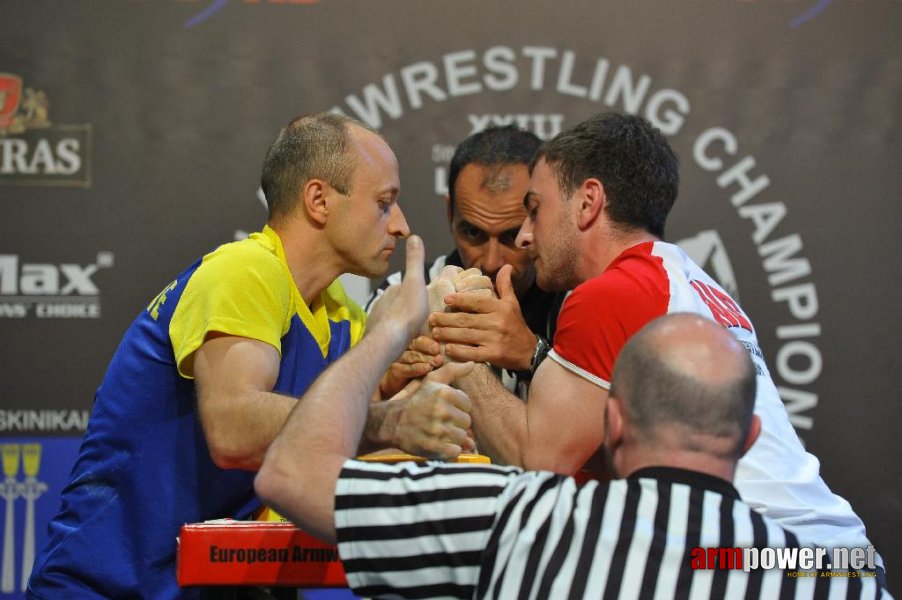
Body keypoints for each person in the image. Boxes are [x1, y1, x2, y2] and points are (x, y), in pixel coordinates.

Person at [254, 243, 890, 599]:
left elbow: (290, 472)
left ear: (611, 421)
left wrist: (389, 329)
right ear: (749, 435)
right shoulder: (828, 573)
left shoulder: (520, 519)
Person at [26, 113, 472, 599]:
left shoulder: (340, 313)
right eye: (384, 202)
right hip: (109, 589)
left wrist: (423, 375)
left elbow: (334, 441)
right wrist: (391, 419)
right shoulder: (245, 272)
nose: (402, 225)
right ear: (319, 200)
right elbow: (234, 429)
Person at [436, 112, 885, 578]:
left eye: (536, 209)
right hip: (837, 558)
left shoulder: (612, 293)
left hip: (770, 556)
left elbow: (539, 460)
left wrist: (454, 336)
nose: (527, 235)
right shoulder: (684, 278)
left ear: (588, 202)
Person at [367, 125, 564, 398]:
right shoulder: (399, 296)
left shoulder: (574, 302)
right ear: (450, 213)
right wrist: (387, 388)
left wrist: (532, 355)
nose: (492, 262)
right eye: (473, 233)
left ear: (538, 218)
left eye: (511, 234)